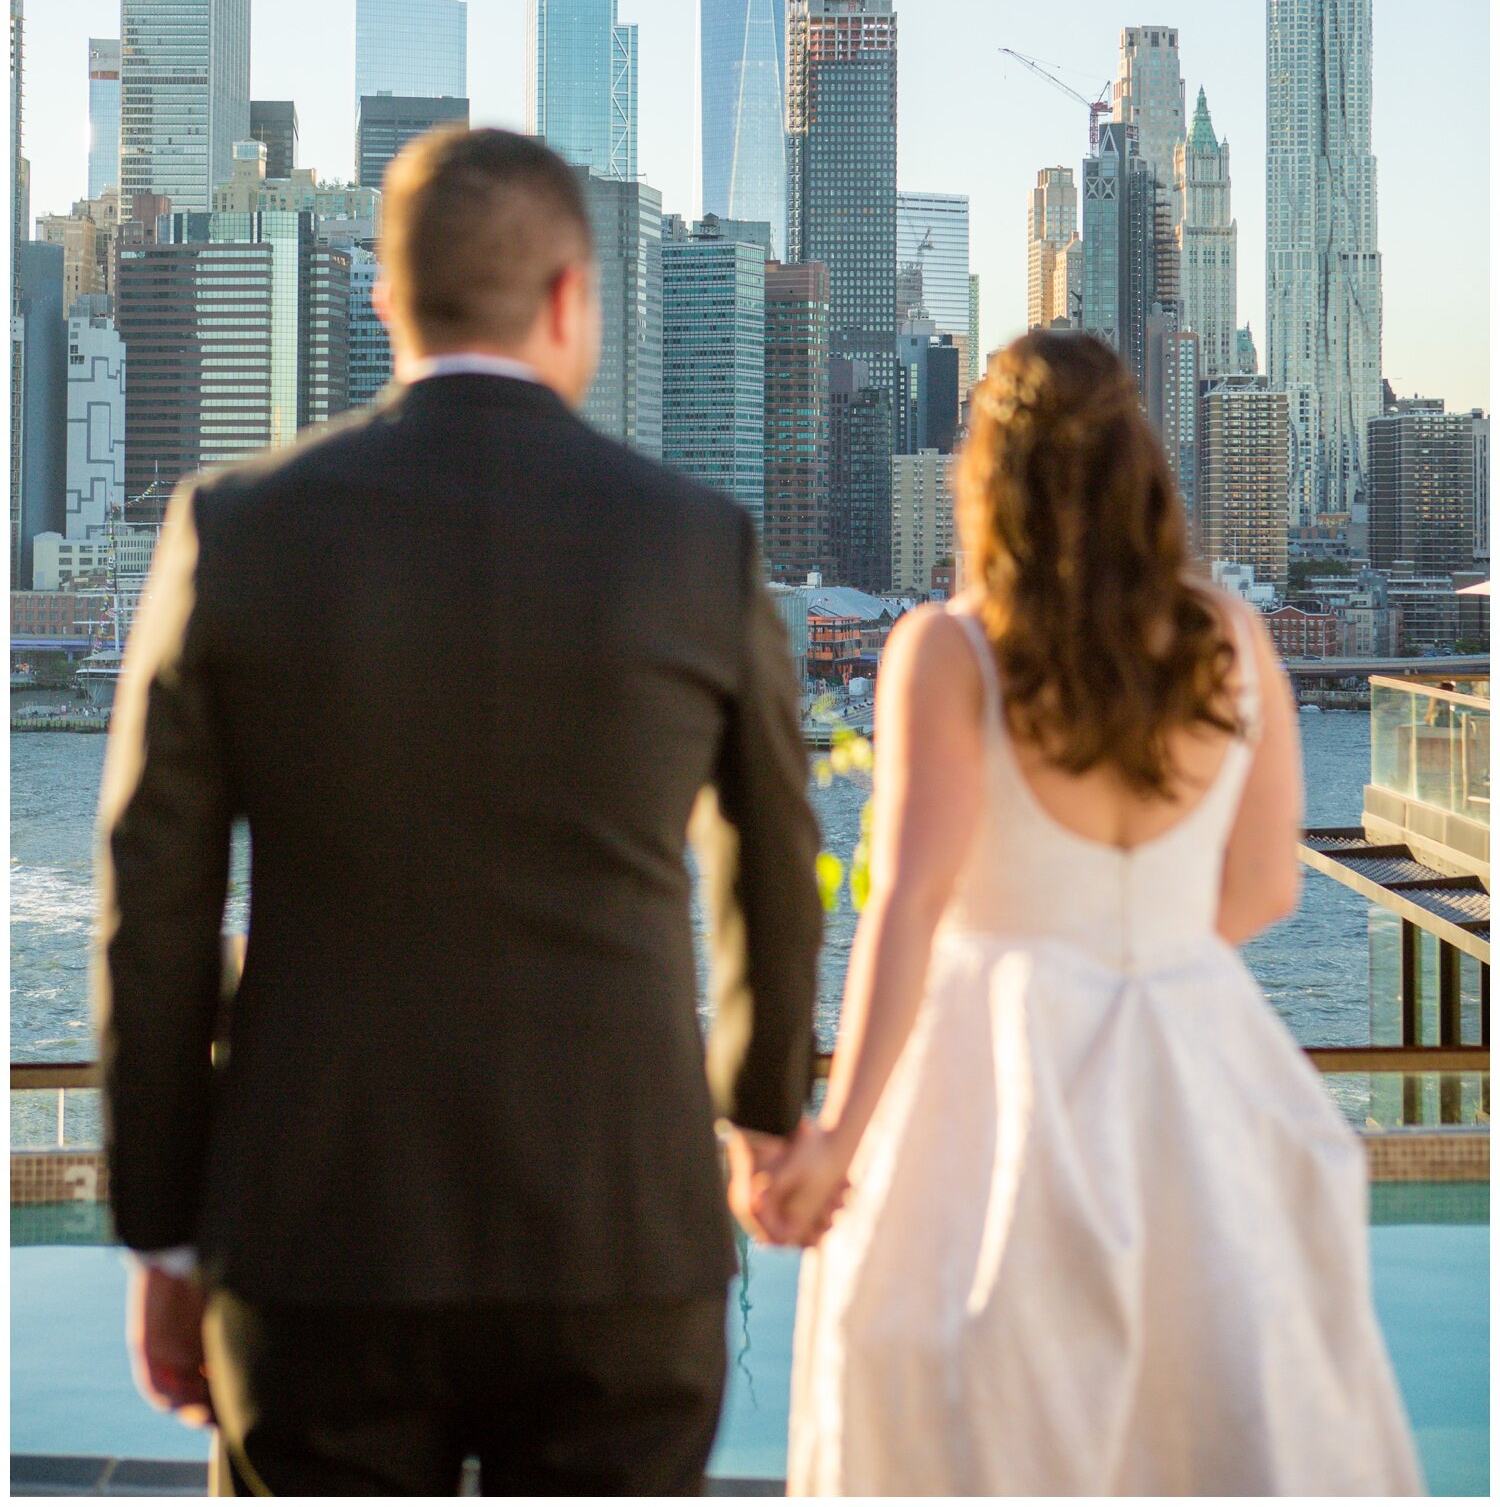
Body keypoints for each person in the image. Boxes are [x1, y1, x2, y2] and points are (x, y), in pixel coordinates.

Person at [95, 125, 822, 1496]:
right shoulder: (695, 542)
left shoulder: (234, 530)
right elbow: (778, 863)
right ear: (569, 298)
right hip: (621, 1236)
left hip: (317, 1238)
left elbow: (155, 907)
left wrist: (164, 1234)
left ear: (384, 298)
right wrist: (765, 1110)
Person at [764, 330, 1421, 1496]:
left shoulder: (949, 651)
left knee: (978, 1415)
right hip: (1199, 1055)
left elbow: (907, 908)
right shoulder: (1232, 637)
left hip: (992, 1071)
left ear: (984, 470)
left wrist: (836, 1137)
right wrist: (1147, 956)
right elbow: (1268, 884)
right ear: (1143, 462)